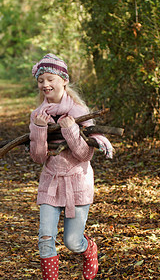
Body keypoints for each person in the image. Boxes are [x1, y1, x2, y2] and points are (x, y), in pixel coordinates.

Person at [29, 54, 113, 280]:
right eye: (41, 80)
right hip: (50, 182)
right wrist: (38, 130)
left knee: (73, 242)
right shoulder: (37, 114)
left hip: (77, 181)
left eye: (50, 79)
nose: (45, 84)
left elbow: (85, 154)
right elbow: (38, 158)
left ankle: (90, 249)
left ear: (64, 80)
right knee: (45, 238)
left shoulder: (79, 112)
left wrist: (70, 130)